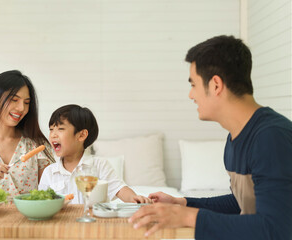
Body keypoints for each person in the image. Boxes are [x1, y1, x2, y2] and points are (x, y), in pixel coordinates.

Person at [128, 35, 292, 239]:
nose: (191, 95)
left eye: (193, 84)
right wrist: (184, 204)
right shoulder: (235, 138)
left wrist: (189, 217)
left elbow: (276, 229)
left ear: (215, 85)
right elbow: (240, 203)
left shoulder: (271, 137)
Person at [38, 104, 151, 204]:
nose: (53, 135)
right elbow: (42, 202)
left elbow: (119, 189)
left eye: (60, 129)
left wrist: (135, 198)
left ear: (81, 135)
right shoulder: (49, 172)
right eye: (51, 129)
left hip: (94, 223)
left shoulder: (99, 165)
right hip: (63, 225)